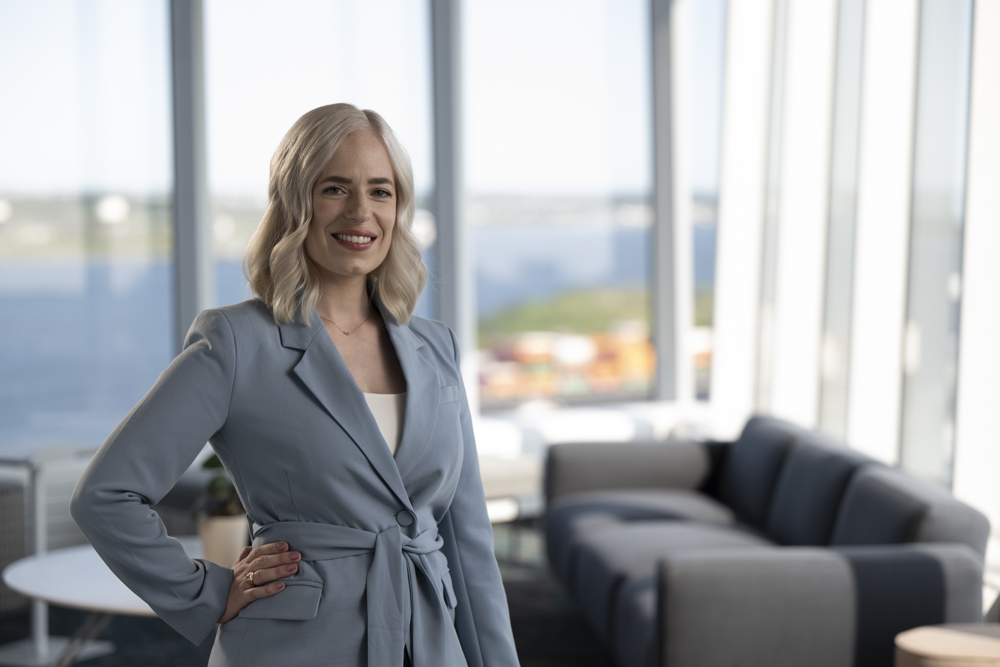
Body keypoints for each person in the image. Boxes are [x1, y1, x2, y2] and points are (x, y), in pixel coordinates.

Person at [70, 103, 520, 667]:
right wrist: (206, 593)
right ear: (294, 201)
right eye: (335, 188)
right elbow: (105, 496)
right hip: (293, 646)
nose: (360, 211)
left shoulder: (436, 347)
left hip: (431, 645)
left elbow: (468, 543)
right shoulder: (236, 342)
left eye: (380, 191)